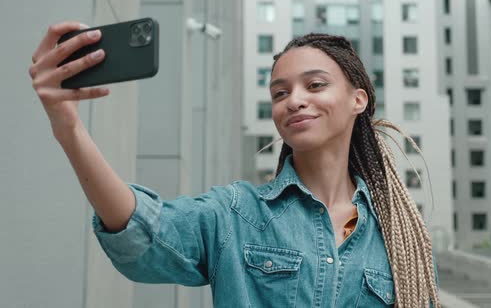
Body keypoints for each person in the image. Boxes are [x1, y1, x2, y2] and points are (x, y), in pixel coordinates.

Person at [29, 21, 440, 307]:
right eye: (280, 93)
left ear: (358, 100)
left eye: (315, 85)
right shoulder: (236, 213)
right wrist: (69, 129)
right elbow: (142, 231)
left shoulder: (401, 240)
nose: (294, 100)